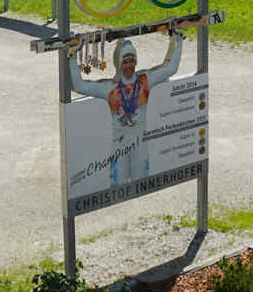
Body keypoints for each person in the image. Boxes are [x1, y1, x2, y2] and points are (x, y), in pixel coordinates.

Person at [67, 28, 183, 188]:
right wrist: (72, 56)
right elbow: (79, 86)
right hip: (119, 145)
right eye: (125, 62)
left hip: (140, 142)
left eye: (131, 61)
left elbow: (172, 68)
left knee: (141, 186)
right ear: (119, 64)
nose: (128, 65)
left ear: (135, 62)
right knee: (117, 189)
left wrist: (179, 40)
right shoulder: (110, 87)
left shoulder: (145, 80)